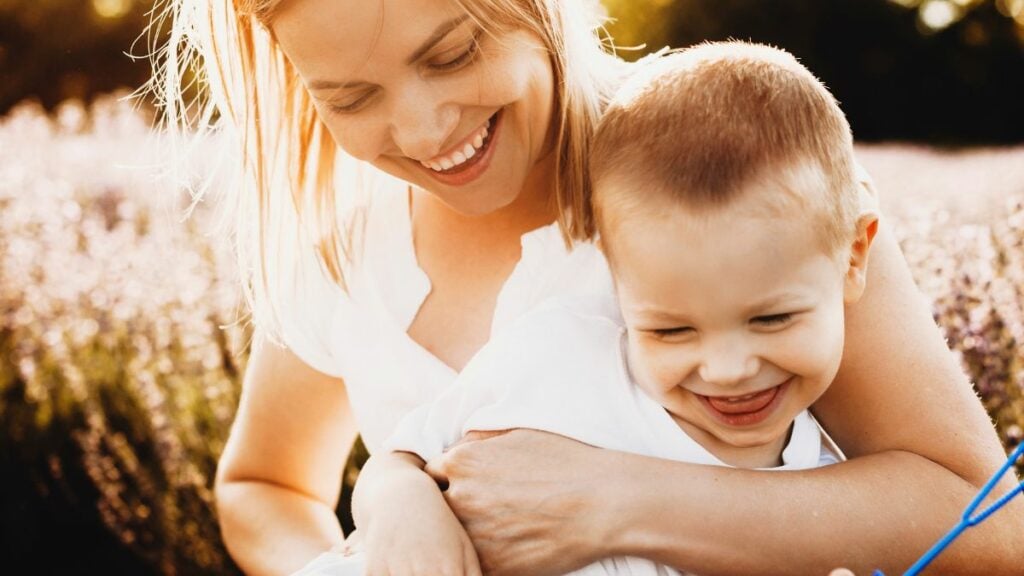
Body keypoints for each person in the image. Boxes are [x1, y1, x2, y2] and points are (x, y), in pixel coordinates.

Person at [152, 0, 1024, 574]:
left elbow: (988, 523)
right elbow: (265, 486)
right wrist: (384, 530)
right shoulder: (341, 253)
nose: (421, 128)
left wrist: (617, 504)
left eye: (453, 53)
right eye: (348, 97)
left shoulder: (726, 171)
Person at [331, 41, 880, 576]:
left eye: (771, 319)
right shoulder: (560, 354)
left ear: (854, 258)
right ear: (613, 276)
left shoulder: (823, 484)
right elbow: (399, 457)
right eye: (671, 330)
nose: (727, 369)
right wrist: (403, 502)